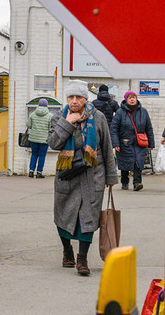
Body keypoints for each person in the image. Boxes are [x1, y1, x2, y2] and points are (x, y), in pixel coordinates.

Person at [48, 79, 117, 277]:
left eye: (78, 97)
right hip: (67, 176)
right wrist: (67, 124)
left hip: (92, 175)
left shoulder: (99, 117)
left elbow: (106, 147)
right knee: (63, 215)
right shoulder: (59, 117)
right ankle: (67, 250)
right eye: (71, 97)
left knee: (88, 217)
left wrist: (111, 177)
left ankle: (82, 258)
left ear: (86, 99)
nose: (74, 101)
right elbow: (53, 143)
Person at [110, 91, 154, 191]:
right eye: (130, 97)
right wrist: (116, 143)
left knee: (138, 161)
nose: (132, 99)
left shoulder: (143, 111)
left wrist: (151, 143)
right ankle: (124, 182)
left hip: (139, 142)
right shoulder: (120, 112)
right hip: (124, 142)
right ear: (126, 99)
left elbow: (149, 128)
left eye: (134, 97)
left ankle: (137, 182)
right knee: (125, 162)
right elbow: (114, 129)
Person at [26, 98, 53, 178]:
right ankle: (39, 172)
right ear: (47, 105)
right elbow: (50, 128)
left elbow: (29, 125)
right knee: (42, 156)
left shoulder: (33, 114)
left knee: (34, 154)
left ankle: (31, 171)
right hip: (44, 139)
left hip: (34, 138)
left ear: (38, 105)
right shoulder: (50, 115)